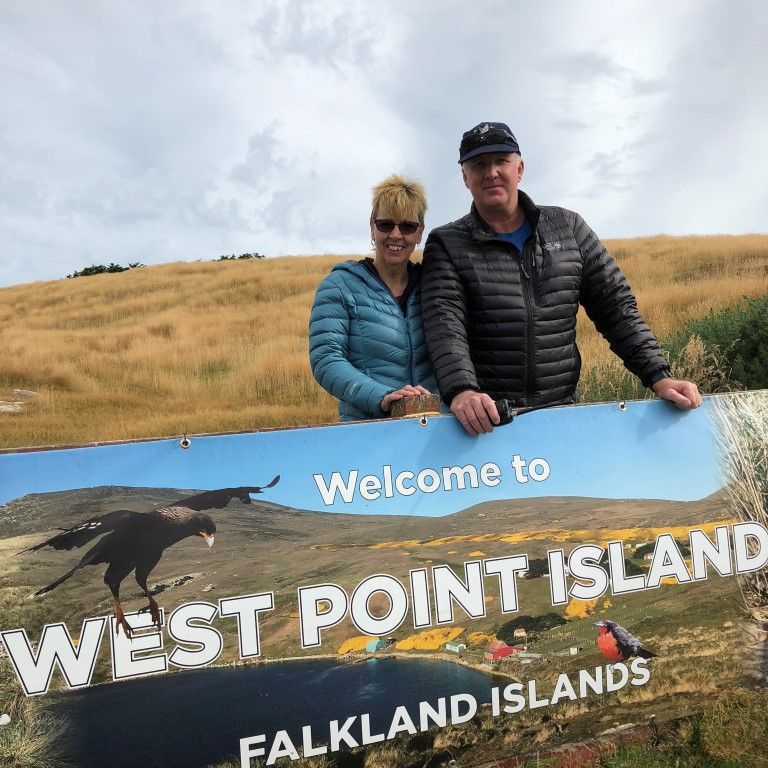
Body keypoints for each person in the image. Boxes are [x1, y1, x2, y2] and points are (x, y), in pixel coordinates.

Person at [421, 122, 702, 436]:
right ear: (465, 177)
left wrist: (659, 376)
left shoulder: (568, 227)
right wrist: (462, 390)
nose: (491, 173)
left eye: (501, 161)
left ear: (519, 169)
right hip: (485, 424)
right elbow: (444, 324)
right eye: (479, 165)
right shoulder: (447, 243)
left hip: (562, 417)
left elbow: (616, 308)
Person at [309, 174, 437, 421]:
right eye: (385, 225)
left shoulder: (435, 285)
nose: (396, 235)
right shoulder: (339, 286)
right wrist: (383, 397)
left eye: (407, 227)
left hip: (432, 427)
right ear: (372, 226)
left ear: (420, 232)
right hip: (368, 429)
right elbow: (326, 359)